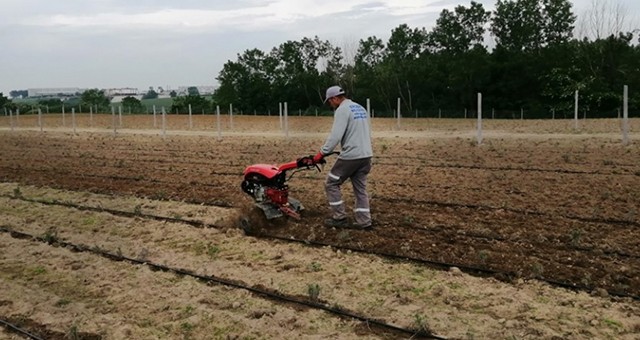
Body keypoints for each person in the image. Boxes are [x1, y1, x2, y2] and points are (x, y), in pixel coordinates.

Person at [313, 85, 373, 229]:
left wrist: (321, 153)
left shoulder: (342, 110)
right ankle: (364, 222)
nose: (330, 104)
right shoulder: (359, 108)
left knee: (331, 183)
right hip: (366, 155)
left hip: (351, 156)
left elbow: (335, 136)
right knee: (360, 188)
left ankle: (339, 218)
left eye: (330, 101)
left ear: (335, 98)